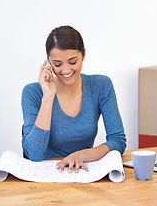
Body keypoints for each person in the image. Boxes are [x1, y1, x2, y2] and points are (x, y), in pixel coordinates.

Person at [21, 25, 126, 173]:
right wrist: (48, 97)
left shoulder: (101, 86)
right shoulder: (32, 93)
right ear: (49, 62)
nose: (66, 70)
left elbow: (118, 141)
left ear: (83, 55)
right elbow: (34, 154)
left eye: (72, 62)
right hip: (46, 175)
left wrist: (81, 155)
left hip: (83, 172)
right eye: (57, 64)